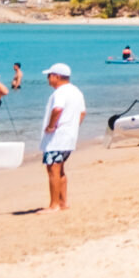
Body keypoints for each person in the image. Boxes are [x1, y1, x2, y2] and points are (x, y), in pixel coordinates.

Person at [40, 63, 85, 212]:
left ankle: (54, 205)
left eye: (49, 76)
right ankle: (63, 202)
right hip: (68, 137)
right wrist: (73, 127)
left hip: (57, 139)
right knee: (59, 170)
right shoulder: (76, 91)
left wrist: (51, 126)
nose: (48, 79)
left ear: (57, 76)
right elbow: (82, 112)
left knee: (53, 170)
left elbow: (57, 109)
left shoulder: (60, 92)